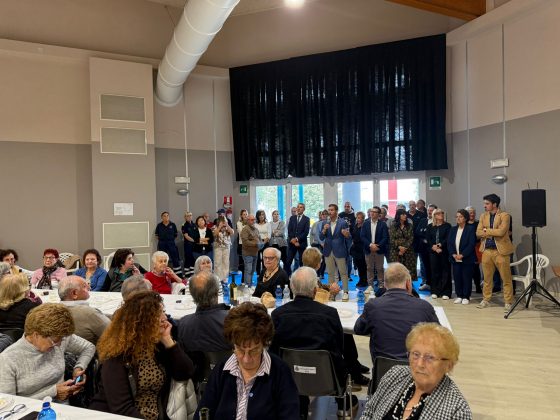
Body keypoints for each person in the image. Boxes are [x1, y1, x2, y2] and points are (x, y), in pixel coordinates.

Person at [270, 267, 358, 418]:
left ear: (291, 288)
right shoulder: (329, 314)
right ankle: (343, 403)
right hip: (327, 378)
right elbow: (339, 347)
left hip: (289, 378)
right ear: (315, 290)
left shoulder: (278, 314)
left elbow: (274, 350)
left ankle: (299, 404)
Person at [90, 290, 194, 419]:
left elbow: (185, 373)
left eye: (163, 312)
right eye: (158, 314)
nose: (165, 318)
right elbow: (122, 409)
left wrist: (168, 340)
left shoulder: (156, 346)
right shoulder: (117, 356)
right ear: (142, 321)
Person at [195, 302, 299, 420]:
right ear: (233, 345)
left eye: (254, 350)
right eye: (240, 349)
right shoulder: (221, 370)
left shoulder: (280, 372)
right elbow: (203, 412)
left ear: (264, 344)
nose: (246, 359)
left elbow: (291, 416)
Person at [359, 323, 472, 420]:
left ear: (449, 365)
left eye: (430, 357)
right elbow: (369, 412)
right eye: (416, 354)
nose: (420, 364)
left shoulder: (457, 411)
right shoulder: (395, 374)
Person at [0, 303, 95, 401]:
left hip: (63, 406)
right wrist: (53, 393)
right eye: (55, 341)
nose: (59, 345)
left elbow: (89, 347)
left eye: (61, 339)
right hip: (30, 410)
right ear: (36, 335)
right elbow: (8, 403)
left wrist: (79, 367)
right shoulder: (7, 360)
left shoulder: (59, 337)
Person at [354, 262, 439, 363]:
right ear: (408, 283)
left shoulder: (373, 306)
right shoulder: (425, 307)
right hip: (415, 369)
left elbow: (358, 329)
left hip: (383, 370)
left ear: (385, 284)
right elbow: (439, 337)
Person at [177, 271, 231, 382]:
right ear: (217, 291)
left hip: (200, 379)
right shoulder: (233, 320)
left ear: (192, 295)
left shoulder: (183, 324)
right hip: (231, 376)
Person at [476, 193, 515, 312]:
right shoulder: (483, 216)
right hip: (486, 250)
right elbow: (478, 232)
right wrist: (491, 231)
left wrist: (486, 230)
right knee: (487, 279)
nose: (484, 206)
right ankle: (486, 300)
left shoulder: (505, 215)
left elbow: (501, 232)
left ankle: (508, 302)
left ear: (495, 204)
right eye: (484, 203)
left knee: (506, 278)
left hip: (501, 252)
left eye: (487, 203)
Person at [58, 275, 110, 345]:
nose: (89, 288)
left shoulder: (55, 310)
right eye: (84, 286)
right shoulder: (89, 313)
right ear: (74, 293)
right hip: (92, 350)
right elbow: (113, 333)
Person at [320, 203, 352, 301]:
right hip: (328, 250)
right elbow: (321, 237)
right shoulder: (325, 222)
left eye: (332, 210)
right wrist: (324, 230)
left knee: (343, 273)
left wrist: (346, 235)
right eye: (329, 210)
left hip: (340, 250)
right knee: (330, 273)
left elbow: (349, 237)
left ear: (336, 211)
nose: (330, 212)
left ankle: (346, 292)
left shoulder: (343, 222)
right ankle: (332, 292)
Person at [448, 209, 477, 305]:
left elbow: (471, 244)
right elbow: (449, 243)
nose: (458, 218)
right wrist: (453, 254)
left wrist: (462, 255)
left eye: (460, 217)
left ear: (465, 218)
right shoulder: (453, 229)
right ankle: (459, 295)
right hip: (455, 258)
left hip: (467, 258)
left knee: (466, 277)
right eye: (456, 217)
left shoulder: (470, 229)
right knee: (457, 277)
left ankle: (466, 296)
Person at [361, 206, 389, 291]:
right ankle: (370, 285)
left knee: (380, 268)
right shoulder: (365, 223)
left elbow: (385, 237)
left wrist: (377, 246)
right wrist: (370, 245)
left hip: (379, 249)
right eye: (371, 211)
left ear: (378, 214)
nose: (372, 213)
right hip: (368, 249)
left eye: (374, 212)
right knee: (369, 268)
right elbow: (362, 236)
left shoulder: (383, 224)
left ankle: (381, 285)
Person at [427, 209, 452, 299]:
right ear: (434, 215)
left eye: (442, 213)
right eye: (438, 213)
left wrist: (439, 245)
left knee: (445, 271)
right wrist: (433, 247)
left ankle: (446, 292)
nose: (441, 214)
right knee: (434, 271)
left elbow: (448, 238)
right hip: (433, 252)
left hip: (444, 251)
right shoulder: (430, 226)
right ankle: (435, 291)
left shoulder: (447, 226)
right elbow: (428, 239)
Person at [389, 209, 417, 280]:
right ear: (398, 215)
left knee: (408, 268)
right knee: (396, 269)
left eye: (405, 214)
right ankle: (397, 284)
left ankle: (408, 284)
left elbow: (411, 238)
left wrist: (404, 248)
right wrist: (399, 247)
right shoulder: (393, 226)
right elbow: (391, 239)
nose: (405, 216)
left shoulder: (409, 226)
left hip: (408, 250)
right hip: (395, 251)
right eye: (403, 214)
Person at [416, 204, 438, 291]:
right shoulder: (423, 220)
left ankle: (435, 285)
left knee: (434, 267)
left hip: (434, 249)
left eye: (431, 210)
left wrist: (426, 236)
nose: (429, 212)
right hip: (423, 248)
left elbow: (434, 236)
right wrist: (425, 237)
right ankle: (427, 283)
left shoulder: (437, 222)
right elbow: (418, 232)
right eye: (428, 210)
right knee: (425, 267)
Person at [286, 203, 310, 276]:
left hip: (301, 243)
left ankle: (302, 277)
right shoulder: (292, 218)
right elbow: (289, 230)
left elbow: (306, 232)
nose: (299, 208)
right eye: (298, 207)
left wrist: (296, 239)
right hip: (292, 243)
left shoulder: (306, 219)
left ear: (304, 209)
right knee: (288, 261)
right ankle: (288, 277)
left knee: (302, 262)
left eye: (301, 207)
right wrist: (293, 240)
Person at [212, 215, 234, 284]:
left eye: (225, 220)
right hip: (218, 247)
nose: (224, 222)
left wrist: (227, 225)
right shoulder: (215, 227)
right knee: (218, 262)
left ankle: (225, 278)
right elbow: (214, 234)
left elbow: (232, 232)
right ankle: (218, 278)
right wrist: (219, 227)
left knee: (226, 262)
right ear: (219, 221)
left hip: (226, 247)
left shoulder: (227, 227)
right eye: (222, 221)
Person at [466, 206, 482, 294]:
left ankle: (478, 286)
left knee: (476, 268)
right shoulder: (464, 223)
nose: (472, 214)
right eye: (470, 213)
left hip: (476, 247)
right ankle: (467, 287)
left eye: (473, 212)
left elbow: (482, 233)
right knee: (467, 268)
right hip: (466, 248)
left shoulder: (478, 223)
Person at [240, 214, 260, 287]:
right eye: (252, 220)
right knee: (248, 270)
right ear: (248, 221)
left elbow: (259, 239)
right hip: (247, 253)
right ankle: (247, 286)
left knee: (252, 270)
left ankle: (250, 284)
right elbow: (245, 241)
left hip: (255, 253)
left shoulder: (256, 229)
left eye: (254, 220)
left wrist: (261, 243)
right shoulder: (245, 229)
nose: (253, 221)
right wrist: (256, 244)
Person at [351, 211, 368, 287]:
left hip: (362, 248)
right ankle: (361, 280)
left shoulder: (365, 226)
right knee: (358, 265)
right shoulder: (355, 226)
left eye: (359, 218)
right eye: (357, 218)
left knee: (363, 266)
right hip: (355, 248)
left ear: (363, 219)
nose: (357, 219)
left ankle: (365, 281)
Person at [309, 210, 327, 278]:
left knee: (324, 260)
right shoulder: (316, 224)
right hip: (316, 244)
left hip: (325, 244)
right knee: (318, 259)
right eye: (321, 215)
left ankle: (322, 273)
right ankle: (317, 273)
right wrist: (311, 243)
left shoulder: (327, 223)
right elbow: (312, 234)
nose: (321, 216)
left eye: (323, 214)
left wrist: (323, 243)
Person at [255, 209, 272, 273]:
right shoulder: (255, 224)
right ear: (258, 216)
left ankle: (265, 273)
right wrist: (259, 242)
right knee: (257, 259)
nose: (261, 216)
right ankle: (258, 273)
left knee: (265, 259)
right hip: (257, 242)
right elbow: (254, 234)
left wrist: (263, 243)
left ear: (264, 216)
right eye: (260, 215)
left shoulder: (268, 224)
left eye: (263, 214)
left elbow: (269, 235)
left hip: (266, 242)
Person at [181, 211, 196, 277]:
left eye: (190, 215)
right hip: (188, 245)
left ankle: (192, 274)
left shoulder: (194, 225)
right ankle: (187, 275)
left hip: (194, 245)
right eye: (187, 216)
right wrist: (195, 240)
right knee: (188, 258)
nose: (189, 217)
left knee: (193, 258)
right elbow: (186, 236)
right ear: (185, 217)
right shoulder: (184, 225)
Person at [236, 209, 249, 284]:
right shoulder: (239, 223)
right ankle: (243, 280)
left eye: (246, 214)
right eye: (244, 214)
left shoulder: (250, 223)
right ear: (241, 215)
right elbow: (241, 233)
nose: (245, 216)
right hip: (242, 244)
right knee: (243, 263)